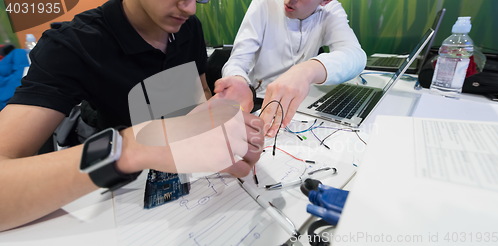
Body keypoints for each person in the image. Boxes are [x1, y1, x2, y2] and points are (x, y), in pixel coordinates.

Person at [0, 0, 264, 232]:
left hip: (190, 198)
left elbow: (201, 93)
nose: (191, 8)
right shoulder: (72, 44)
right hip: (122, 202)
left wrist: (217, 125)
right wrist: (131, 148)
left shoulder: (188, 26)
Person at [213, 0, 366, 137]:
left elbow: (355, 55)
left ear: (325, 1)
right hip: (260, 99)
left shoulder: (330, 11)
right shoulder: (264, 3)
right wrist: (237, 78)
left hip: (302, 103)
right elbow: (238, 60)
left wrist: (308, 70)